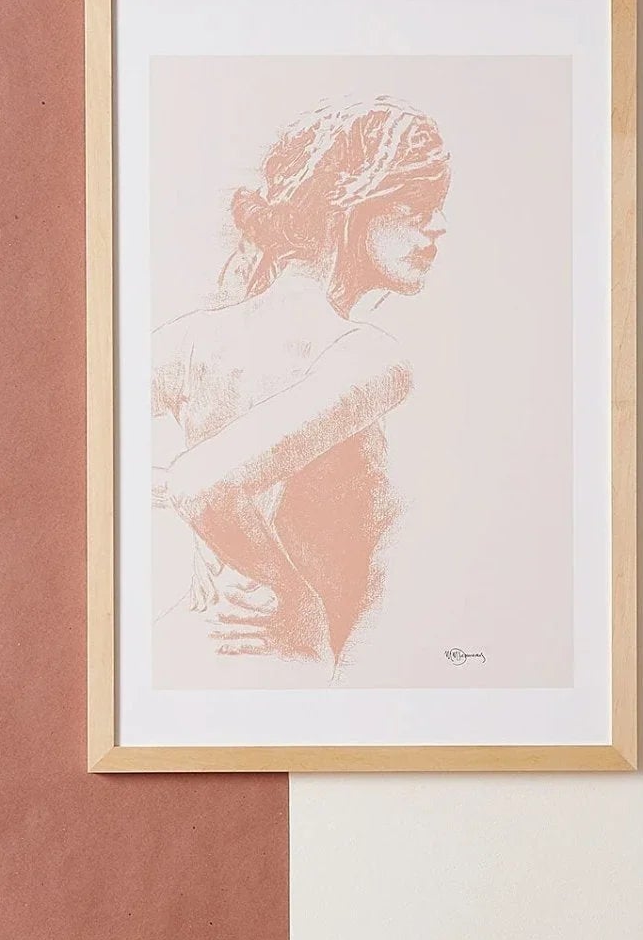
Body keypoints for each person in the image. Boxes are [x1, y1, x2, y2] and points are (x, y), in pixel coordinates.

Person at [152, 97, 450, 678]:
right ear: (350, 210)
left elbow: (61, 457)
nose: (437, 227)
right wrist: (294, 598)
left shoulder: (185, 340)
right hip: (278, 675)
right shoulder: (370, 358)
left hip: (176, 665)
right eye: (417, 205)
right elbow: (199, 483)